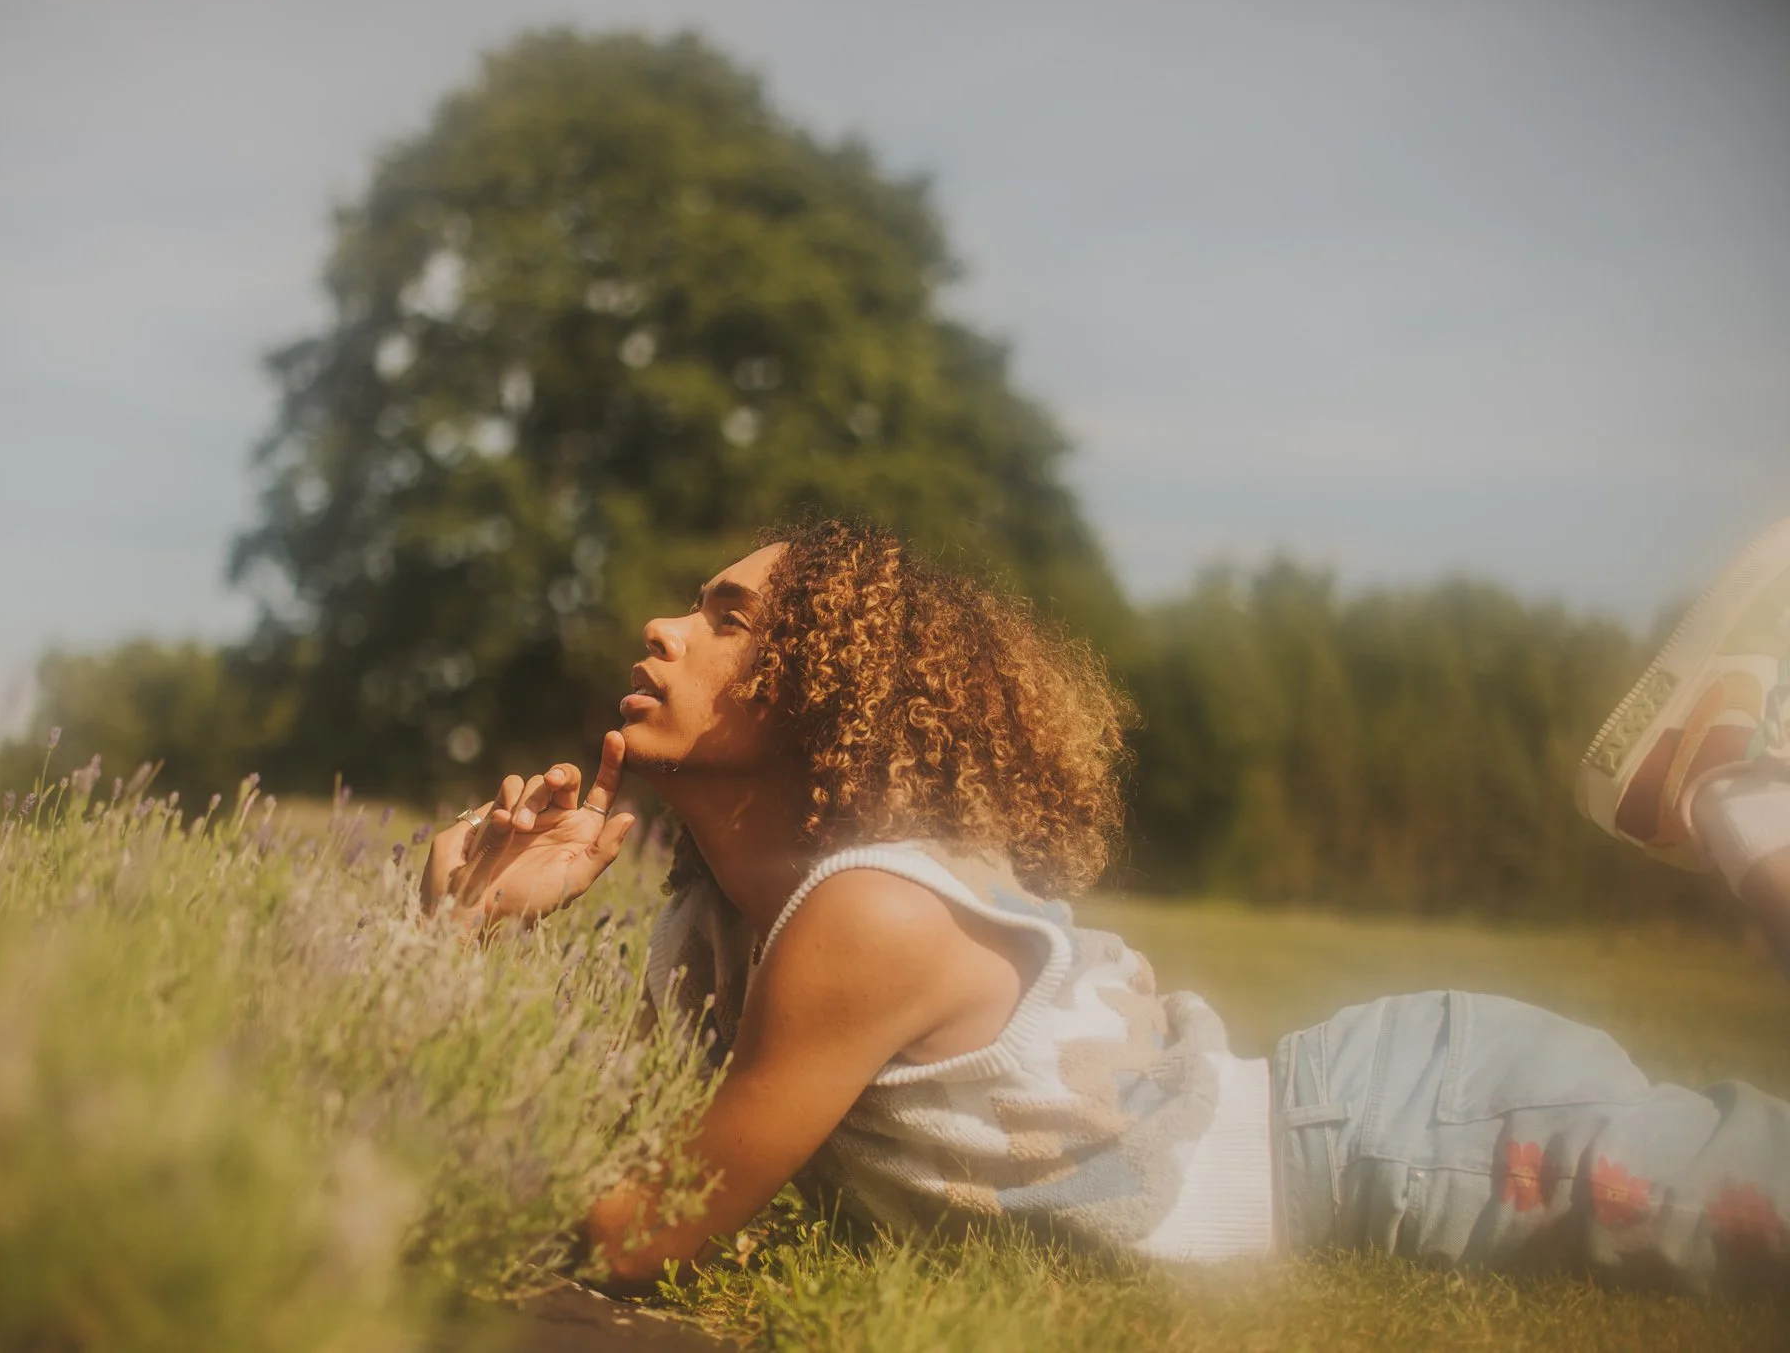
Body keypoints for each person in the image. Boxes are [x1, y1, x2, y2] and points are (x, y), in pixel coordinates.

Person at [423, 516, 1790, 1293]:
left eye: (726, 617)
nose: (663, 627)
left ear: (824, 684)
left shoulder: (873, 914)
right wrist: (472, 921)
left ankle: (1733, 784)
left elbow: (633, 1228)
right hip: (1379, 1107)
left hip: (1403, 1132)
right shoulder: (710, 926)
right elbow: (588, 1143)